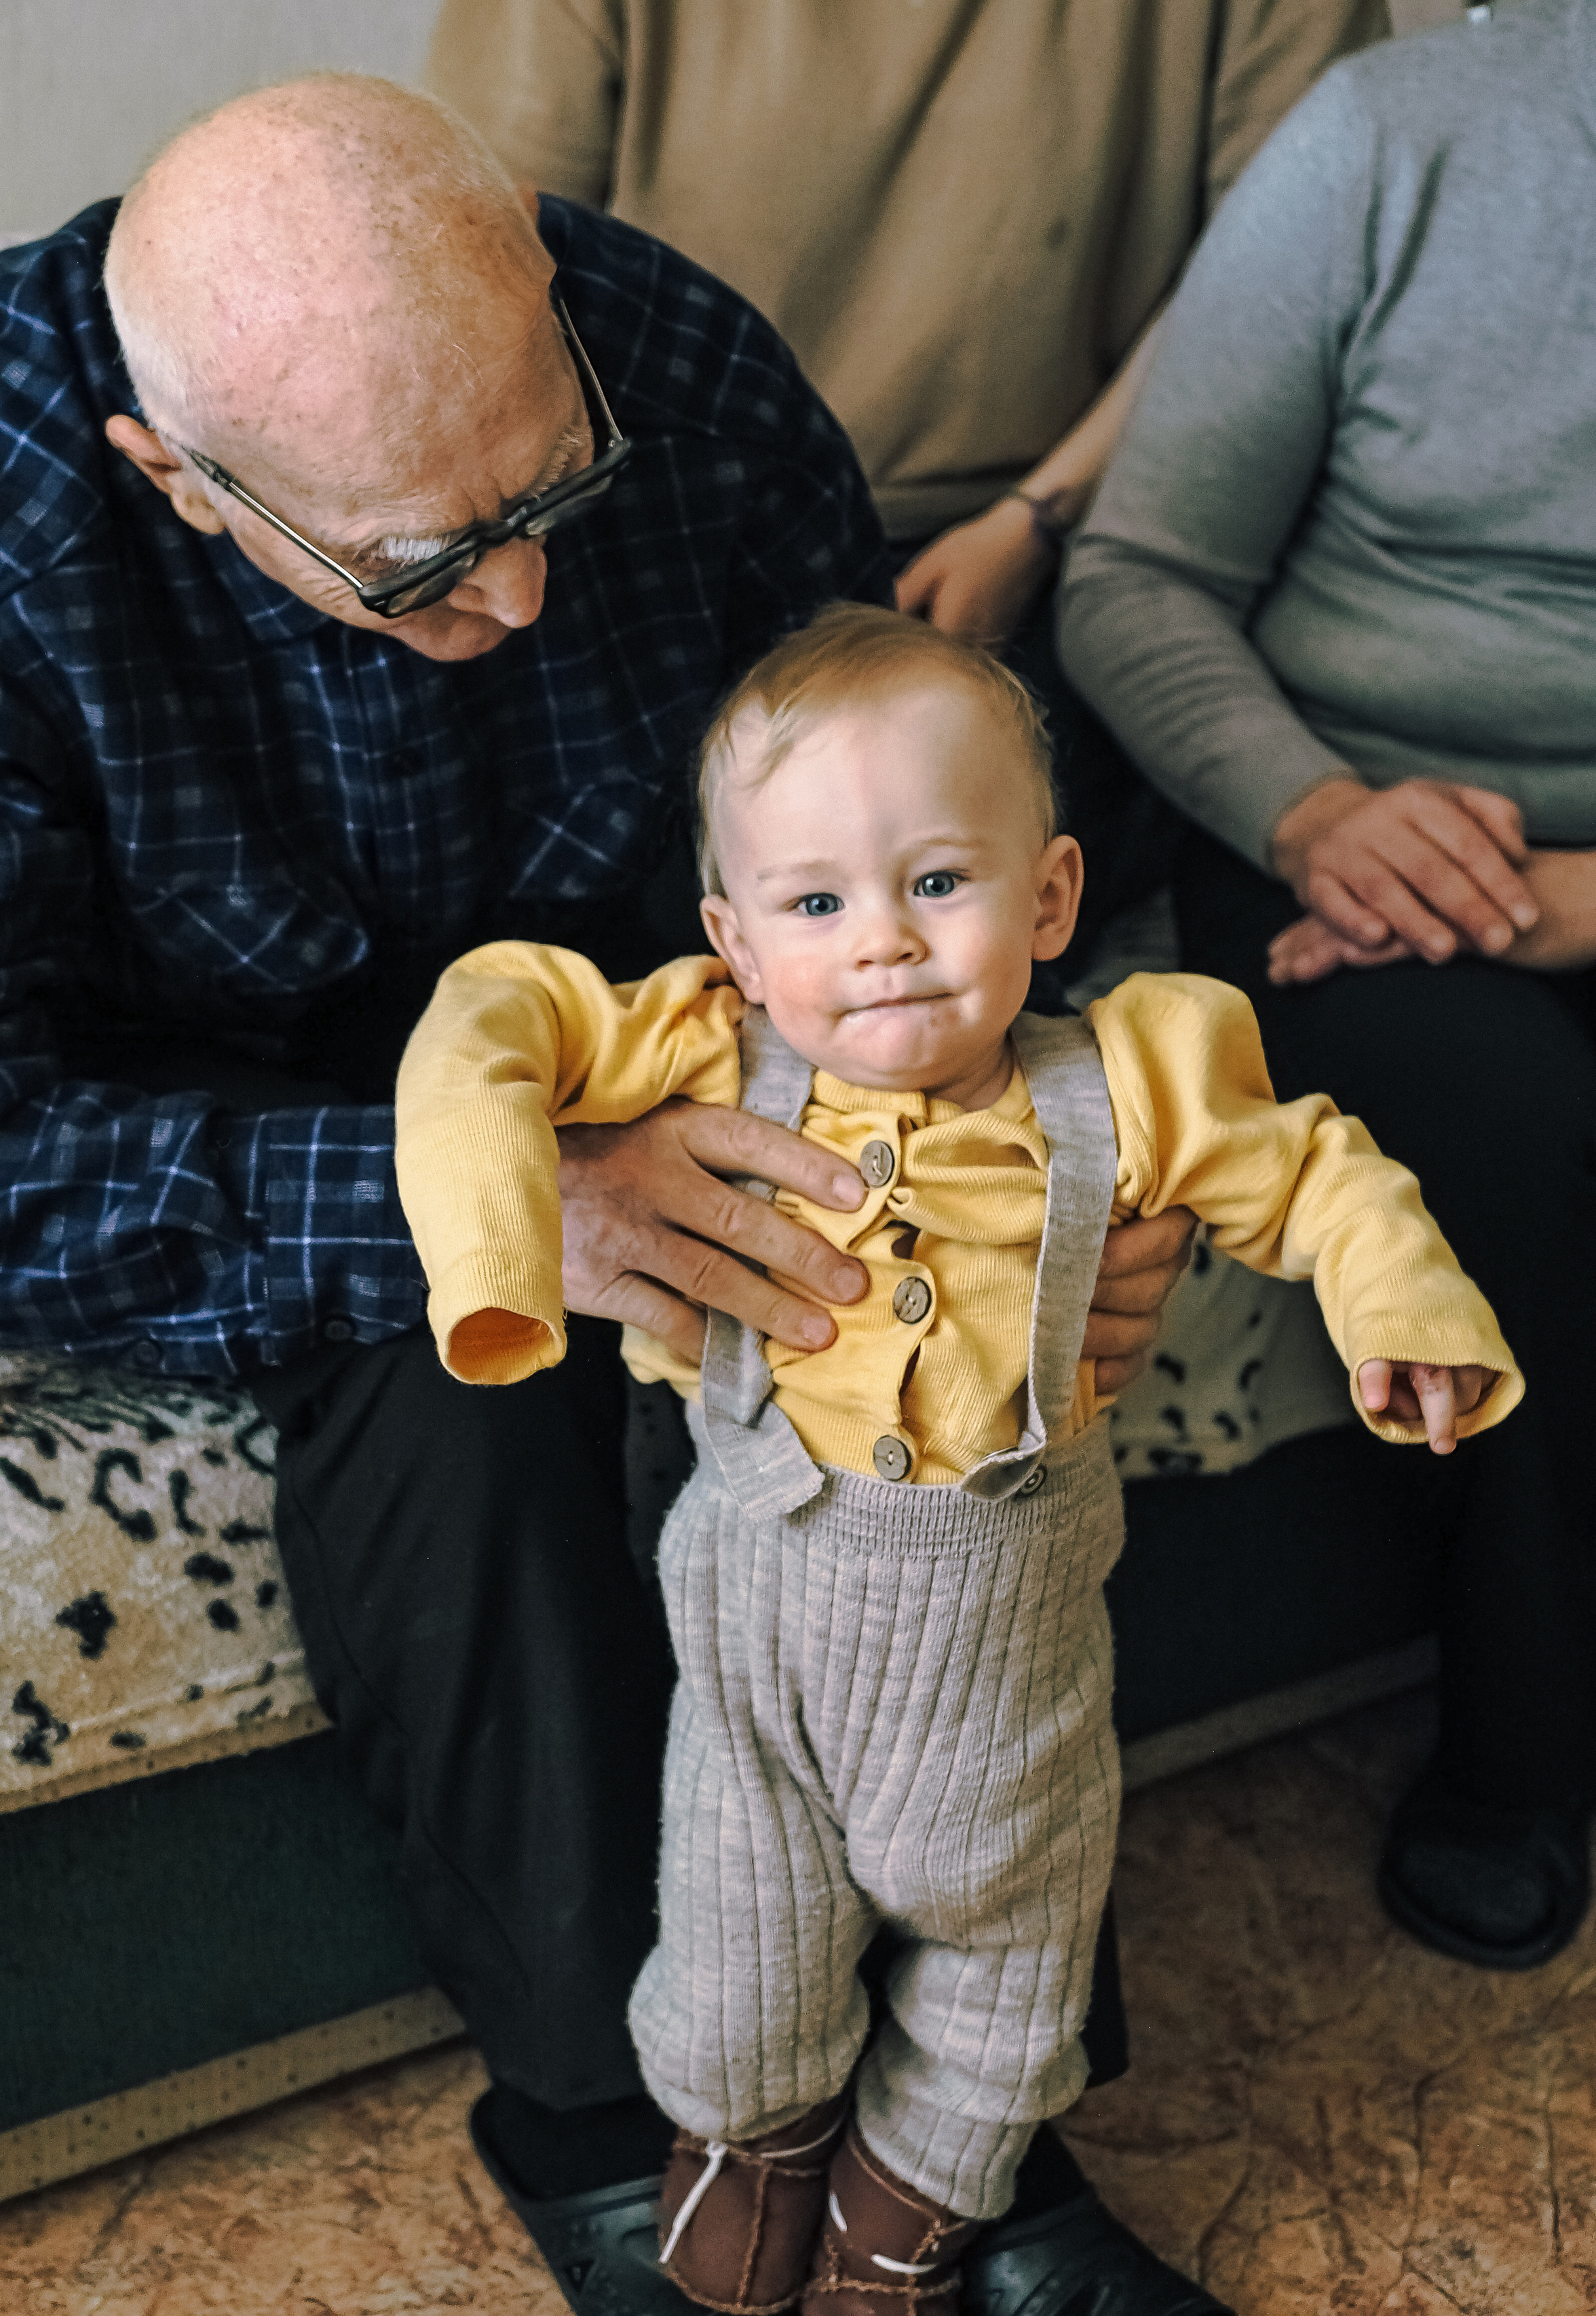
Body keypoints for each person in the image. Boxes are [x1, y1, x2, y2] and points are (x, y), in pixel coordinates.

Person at [0, 73, 1195, 2316]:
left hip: (668, 1007)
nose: (528, 584)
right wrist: (503, 1206)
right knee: (465, 1412)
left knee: (889, 1372)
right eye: (419, 565)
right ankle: (632, 2127)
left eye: (548, 486)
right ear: (174, 481)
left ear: (548, 301)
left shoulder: (675, 353)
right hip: (249, 1102)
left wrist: (1026, 1171)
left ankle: (970, 2129)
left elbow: (879, 831)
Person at [396, 604, 1519, 2316]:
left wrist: (1402, 1311)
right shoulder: (709, 1046)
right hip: (761, 1640)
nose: (886, 947)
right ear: (736, 938)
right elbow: (489, 1017)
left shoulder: (1133, 1072)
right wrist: (494, 1252)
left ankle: (906, 2218)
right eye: (816, 904)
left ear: (1050, 897)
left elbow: (1319, 1176)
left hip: (1010, 1675)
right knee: (734, 1959)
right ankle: (744, 2166)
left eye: (939, 883)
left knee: (1009, 1981)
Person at [1059, 0, 1596, 1973]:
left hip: (1574, 883)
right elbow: (1138, 578)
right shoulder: (1400, 134)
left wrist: (1562, 903)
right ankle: (1522, 1752)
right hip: (1321, 819)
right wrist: (1316, 813)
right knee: (1518, 1122)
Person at [424, 0, 1386, 966]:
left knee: (965, 893)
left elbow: (1274, 276)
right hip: (677, 515)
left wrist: (1035, 521)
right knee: (672, 913)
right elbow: (492, 258)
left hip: (1054, 535)